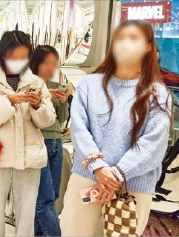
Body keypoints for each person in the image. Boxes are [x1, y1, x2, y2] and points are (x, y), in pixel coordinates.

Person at [60, 20, 171, 236]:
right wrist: (99, 168)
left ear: (149, 46)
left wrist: (117, 174)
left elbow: (153, 145)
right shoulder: (89, 85)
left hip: (133, 186)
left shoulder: (157, 93)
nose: (125, 44)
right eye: (120, 38)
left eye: (133, 38)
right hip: (87, 178)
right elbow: (80, 130)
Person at [0, 30, 55, 236]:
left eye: (23, 57)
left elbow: (48, 120)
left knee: (26, 213)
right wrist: (8, 102)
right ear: (2, 54)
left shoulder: (36, 82)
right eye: (13, 57)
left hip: (29, 157)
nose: (18, 61)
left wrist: (38, 106)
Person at [29, 45, 68, 236]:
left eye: (54, 64)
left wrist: (63, 101)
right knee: (45, 199)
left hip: (56, 142)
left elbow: (61, 119)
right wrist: (45, 97)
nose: (51, 68)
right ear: (37, 63)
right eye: (47, 63)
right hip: (39, 141)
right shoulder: (30, 85)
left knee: (53, 195)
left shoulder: (55, 85)